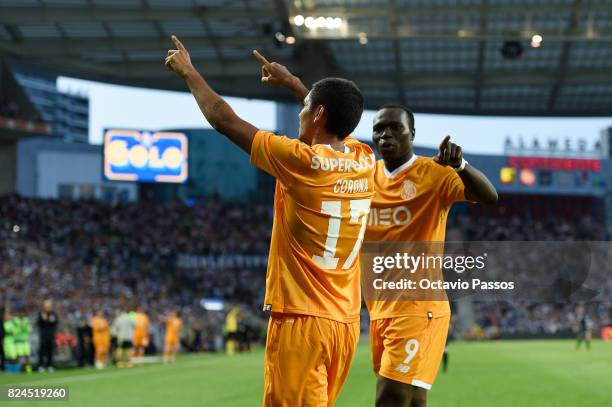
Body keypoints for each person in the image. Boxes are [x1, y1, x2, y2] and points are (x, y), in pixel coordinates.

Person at [256, 61, 497, 406]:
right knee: (411, 399)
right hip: (379, 309)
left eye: (394, 129)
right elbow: (330, 120)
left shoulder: (433, 174)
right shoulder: (363, 170)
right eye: (379, 130)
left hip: (418, 306)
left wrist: (461, 165)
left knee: (390, 397)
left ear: (411, 134)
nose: (385, 136)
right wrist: (295, 84)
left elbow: (489, 197)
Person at [166, 39, 375, 406]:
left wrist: (189, 71)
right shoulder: (364, 159)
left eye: (305, 107)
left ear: (318, 114)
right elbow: (336, 122)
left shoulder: (300, 161)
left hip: (301, 323)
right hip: (343, 325)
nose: (299, 113)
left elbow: (223, 119)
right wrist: (297, 85)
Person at [36, 299, 58, 372]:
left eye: (49, 306)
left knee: (50, 351)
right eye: (46, 306)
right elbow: (38, 323)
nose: (48, 307)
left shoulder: (53, 314)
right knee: (42, 351)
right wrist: (43, 319)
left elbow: (55, 322)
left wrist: (50, 320)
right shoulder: (41, 314)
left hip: (51, 335)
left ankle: (50, 365)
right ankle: (41, 365)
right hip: (43, 335)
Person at [14, 307, 32, 373]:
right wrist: (22, 327)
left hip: (25, 341)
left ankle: (28, 370)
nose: (21, 314)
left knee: (27, 356)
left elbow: (29, 330)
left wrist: (23, 327)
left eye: (22, 313)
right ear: (18, 313)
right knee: (18, 357)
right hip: (18, 341)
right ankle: (18, 370)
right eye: (20, 313)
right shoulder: (15, 320)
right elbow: (15, 331)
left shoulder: (26, 320)